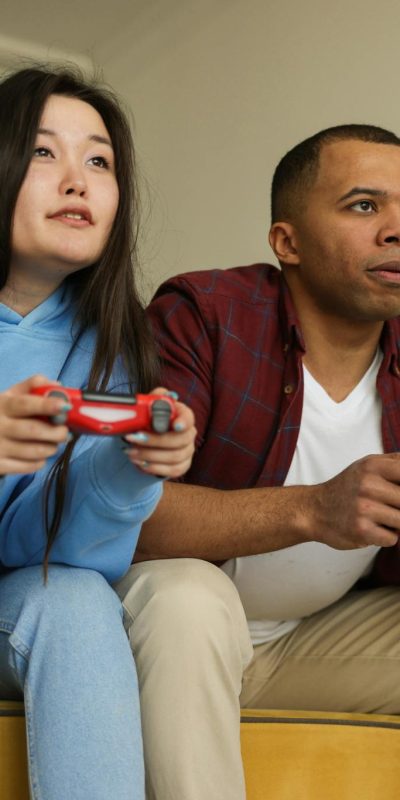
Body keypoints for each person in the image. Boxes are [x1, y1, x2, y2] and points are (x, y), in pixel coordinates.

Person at [115, 124, 400, 800]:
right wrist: (313, 508)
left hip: (312, 643)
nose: (395, 230)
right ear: (286, 241)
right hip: (163, 631)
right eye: (365, 206)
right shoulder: (206, 314)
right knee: (188, 597)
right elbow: (129, 515)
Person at [0, 65, 195, 800]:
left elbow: (62, 554)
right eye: (44, 152)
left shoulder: (113, 344)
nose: (78, 179)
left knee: (77, 601)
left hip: (23, 599)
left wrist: (134, 470)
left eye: (100, 160)